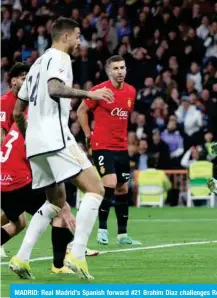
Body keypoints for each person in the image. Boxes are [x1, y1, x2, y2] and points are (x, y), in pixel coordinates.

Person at [9, 17, 114, 280]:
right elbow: (54, 88)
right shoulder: (60, 58)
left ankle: (21, 257)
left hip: (35, 142)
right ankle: (77, 253)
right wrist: (90, 94)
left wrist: (30, 137)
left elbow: (17, 110)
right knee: (96, 188)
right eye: (78, 36)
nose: (80, 41)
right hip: (55, 136)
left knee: (55, 202)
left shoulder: (35, 65)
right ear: (65, 36)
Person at [1, 121, 98, 274]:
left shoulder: (21, 121)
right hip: (20, 182)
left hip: (3, 183)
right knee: (58, 211)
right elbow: (50, 163)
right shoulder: (41, 125)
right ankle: (59, 265)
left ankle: (66, 247)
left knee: (17, 224)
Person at [77, 55, 141, 246]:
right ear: (108, 71)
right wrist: (88, 133)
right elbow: (81, 111)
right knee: (110, 183)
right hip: (102, 146)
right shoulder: (99, 91)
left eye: (122, 68)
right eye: (115, 68)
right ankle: (102, 230)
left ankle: (122, 234)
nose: (120, 71)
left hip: (121, 147)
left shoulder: (131, 91)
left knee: (123, 187)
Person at [0, 62, 31, 257]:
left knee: (19, 219)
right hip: (7, 162)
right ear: (13, 81)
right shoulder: (5, 101)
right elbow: (2, 134)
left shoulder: (27, 101)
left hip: (19, 160)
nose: (27, 81)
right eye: (23, 78)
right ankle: (70, 245)